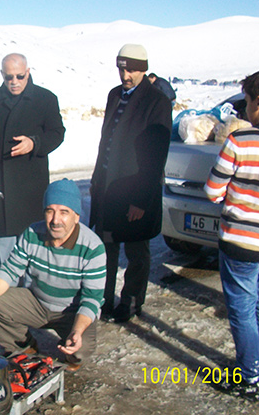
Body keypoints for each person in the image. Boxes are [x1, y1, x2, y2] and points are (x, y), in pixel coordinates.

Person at [0, 180, 106, 370]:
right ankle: (25, 349)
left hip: (71, 312)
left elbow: (92, 299)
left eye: (64, 212)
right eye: (50, 211)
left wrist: (77, 330)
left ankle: (72, 354)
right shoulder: (32, 233)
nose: (55, 220)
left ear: (76, 216)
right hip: (37, 302)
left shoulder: (93, 247)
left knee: (81, 349)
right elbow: (10, 270)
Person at [204, 69, 259, 401]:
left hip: (240, 243)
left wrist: (228, 195)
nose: (244, 109)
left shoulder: (241, 140)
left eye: (246, 102)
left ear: (258, 103)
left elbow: (212, 190)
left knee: (242, 309)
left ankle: (250, 377)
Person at [89, 44, 172, 323]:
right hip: (109, 188)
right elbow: (106, 141)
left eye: (132, 69)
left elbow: (156, 155)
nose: (126, 74)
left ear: (143, 68)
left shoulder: (157, 101)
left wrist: (142, 200)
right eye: (122, 68)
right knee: (106, 248)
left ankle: (132, 302)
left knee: (136, 250)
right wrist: (96, 179)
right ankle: (104, 300)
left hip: (136, 189)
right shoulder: (115, 94)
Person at [0, 53, 65, 263]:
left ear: (28, 72)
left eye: (19, 76)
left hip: (31, 182)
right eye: (9, 77)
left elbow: (57, 133)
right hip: (2, 181)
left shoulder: (45, 99)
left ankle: (33, 288)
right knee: (6, 245)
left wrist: (34, 143)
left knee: (34, 241)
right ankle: (9, 288)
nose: (14, 82)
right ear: (2, 74)